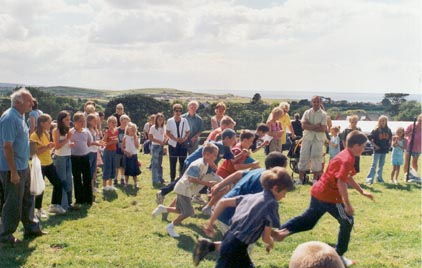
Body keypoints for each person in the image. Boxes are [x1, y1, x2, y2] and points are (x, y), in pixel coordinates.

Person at [274, 130, 375, 267]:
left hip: (318, 192)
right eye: (363, 146)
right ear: (356, 146)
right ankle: (339, 254)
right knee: (347, 221)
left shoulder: (345, 154)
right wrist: (347, 204)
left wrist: (361, 191)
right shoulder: (347, 159)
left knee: (308, 221)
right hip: (330, 197)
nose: (364, 149)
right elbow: (341, 182)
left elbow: (347, 177)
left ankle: (279, 231)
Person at [194, 167, 294, 267]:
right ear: (275, 188)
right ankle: (209, 246)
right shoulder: (271, 204)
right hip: (237, 247)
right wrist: (271, 242)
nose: (284, 196)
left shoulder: (252, 197)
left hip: (230, 237)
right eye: (284, 193)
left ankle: (209, 246)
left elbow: (222, 202)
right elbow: (265, 237)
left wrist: (210, 223)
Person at [0, 88, 45, 245]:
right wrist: (13, 172)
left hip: (23, 164)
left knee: (28, 198)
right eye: (29, 100)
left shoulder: (21, 115)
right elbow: (7, 146)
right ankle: (5, 235)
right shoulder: (9, 118)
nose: (32, 103)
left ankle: (31, 227)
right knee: (13, 201)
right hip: (12, 168)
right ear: (18, 102)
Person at [151, 143, 220, 238]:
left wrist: (212, 165)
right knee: (188, 212)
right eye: (215, 155)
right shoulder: (198, 164)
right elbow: (191, 179)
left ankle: (162, 208)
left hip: (186, 190)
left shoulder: (205, 163)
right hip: (184, 189)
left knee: (179, 210)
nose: (216, 157)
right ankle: (170, 226)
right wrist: (208, 184)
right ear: (207, 154)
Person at [155, 128, 237, 206]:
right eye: (233, 139)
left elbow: (233, 159)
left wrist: (243, 153)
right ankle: (163, 193)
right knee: (185, 181)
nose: (235, 141)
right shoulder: (218, 144)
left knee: (193, 182)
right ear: (226, 138)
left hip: (203, 167)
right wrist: (211, 163)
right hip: (193, 162)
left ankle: (196, 197)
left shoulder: (226, 148)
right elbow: (207, 146)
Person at [30, 114, 66, 218]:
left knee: (58, 183)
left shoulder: (47, 133)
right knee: (39, 188)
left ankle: (54, 205)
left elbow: (46, 150)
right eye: (48, 122)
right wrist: (47, 147)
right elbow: (33, 153)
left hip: (49, 163)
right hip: (39, 165)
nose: (50, 124)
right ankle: (38, 209)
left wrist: (50, 148)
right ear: (42, 123)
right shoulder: (34, 136)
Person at [298, 96, 327, 184]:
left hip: (318, 139)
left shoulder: (323, 114)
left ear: (320, 102)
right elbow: (303, 126)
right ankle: (300, 179)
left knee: (316, 157)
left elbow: (323, 128)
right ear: (312, 102)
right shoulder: (307, 112)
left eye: (317, 102)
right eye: (314, 102)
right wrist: (315, 126)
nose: (316, 103)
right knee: (303, 156)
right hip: (307, 137)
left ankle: (315, 179)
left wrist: (309, 126)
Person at [70, 112, 97, 206]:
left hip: (85, 157)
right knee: (77, 179)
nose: (82, 123)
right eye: (80, 121)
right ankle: (79, 199)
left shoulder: (86, 131)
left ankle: (89, 200)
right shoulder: (71, 132)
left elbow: (89, 143)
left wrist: (97, 143)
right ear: (75, 122)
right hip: (75, 158)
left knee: (87, 178)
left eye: (84, 121)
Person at [52, 111, 74, 210]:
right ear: (61, 120)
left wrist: (70, 143)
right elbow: (57, 146)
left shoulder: (67, 129)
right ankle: (62, 204)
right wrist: (67, 139)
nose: (69, 121)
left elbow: (65, 143)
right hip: (60, 157)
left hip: (68, 155)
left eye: (69, 119)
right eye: (66, 120)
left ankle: (69, 203)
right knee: (62, 179)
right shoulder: (56, 130)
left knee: (69, 179)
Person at [166, 104, 190, 182]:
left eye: (180, 111)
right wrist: (176, 139)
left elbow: (188, 131)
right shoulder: (170, 120)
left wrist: (184, 139)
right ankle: (172, 179)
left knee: (182, 162)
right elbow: (168, 132)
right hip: (173, 144)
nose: (178, 112)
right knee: (172, 162)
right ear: (174, 111)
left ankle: (181, 178)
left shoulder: (184, 120)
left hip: (182, 144)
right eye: (176, 110)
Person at [365, 115, 392, 184]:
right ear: (379, 121)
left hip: (384, 149)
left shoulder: (388, 130)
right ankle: (369, 179)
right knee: (374, 164)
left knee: (381, 165)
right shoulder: (376, 130)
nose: (382, 122)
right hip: (377, 150)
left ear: (386, 121)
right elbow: (369, 137)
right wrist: (375, 145)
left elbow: (390, 139)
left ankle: (379, 178)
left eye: (384, 120)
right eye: (381, 120)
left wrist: (389, 145)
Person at [149, 113, 167, 186]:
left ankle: (160, 178)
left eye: (162, 120)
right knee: (155, 163)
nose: (160, 121)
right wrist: (159, 141)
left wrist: (164, 141)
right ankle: (155, 179)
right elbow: (150, 137)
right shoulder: (153, 127)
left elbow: (165, 136)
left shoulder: (163, 127)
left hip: (161, 146)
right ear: (156, 120)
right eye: (159, 119)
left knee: (160, 163)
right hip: (155, 146)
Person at [122, 122, 141, 188]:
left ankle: (136, 183)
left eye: (134, 130)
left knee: (134, 170)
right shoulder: (125, 137)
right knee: (126, 170)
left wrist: (135, 139)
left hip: (134, 155)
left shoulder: (136, 137)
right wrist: (126, 152)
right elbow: (122, 147)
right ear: (127, 130)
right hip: (127, 155)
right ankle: (126, 182)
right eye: (131, 130)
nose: (133, 131)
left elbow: (137, 146)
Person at [102, 116, 119, 191]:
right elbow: (103, 143)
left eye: (115, 122)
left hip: (114, 151)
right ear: (108, 123)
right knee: (107, 167)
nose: (114, 124)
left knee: (113, 167)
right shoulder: (107, 132)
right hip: (108, 151)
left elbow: (116, 140)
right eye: (112, 122)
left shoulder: (116, 131)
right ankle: (104, 185)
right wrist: (110, 142)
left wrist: (116, 141)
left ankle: (110, 184)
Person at [403, 114, 422, 181]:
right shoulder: (412, 126)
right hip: (409, 147)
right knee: (407, 162)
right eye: (420, 120)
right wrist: (410, 133)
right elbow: (404, 134)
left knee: (415, 163)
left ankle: (414, 176)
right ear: (417, 119)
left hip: (418, 148)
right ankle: (406, 176)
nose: (420, 122)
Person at [115, 115, 130, 186]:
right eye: (124, 122)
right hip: (117, 150)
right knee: (117, 165)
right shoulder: (117, 130)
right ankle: (115, 178)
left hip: (125, 151)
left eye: (126, 122)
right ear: (120, 122)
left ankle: (122, 178)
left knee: (123, 166)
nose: (125, 123)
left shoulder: (128, 130)